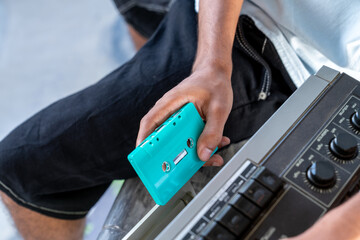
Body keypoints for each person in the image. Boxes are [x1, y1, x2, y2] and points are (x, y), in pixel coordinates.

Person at [0, 0, 359, 239]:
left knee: (19, 172)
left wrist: (339, 228)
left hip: (301, 69)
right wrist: (210, 65)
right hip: (225, 22)